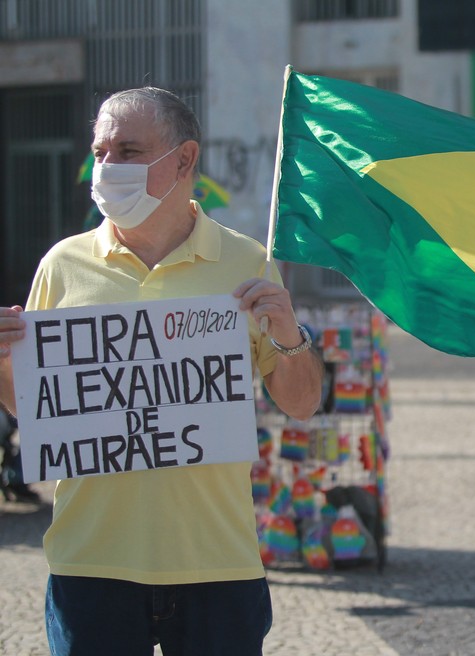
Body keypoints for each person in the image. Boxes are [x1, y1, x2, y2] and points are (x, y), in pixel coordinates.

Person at [0, 87, 324, 655]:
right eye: (100, 151)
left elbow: (301, 404)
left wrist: (289, 336)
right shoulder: (62, 264)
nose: (106, 167)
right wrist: (4, 364)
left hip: (215, 563)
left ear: (184, 160)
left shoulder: (247, 262)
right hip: (90, 562)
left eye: (128, 150)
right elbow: (39, 412)